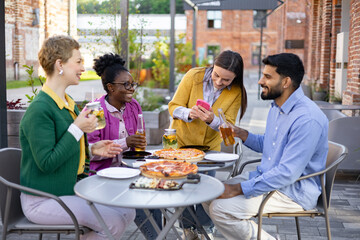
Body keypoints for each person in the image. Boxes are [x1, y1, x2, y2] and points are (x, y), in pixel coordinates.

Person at [19, 35, 135, 240]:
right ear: (60, 64)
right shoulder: (40, 109)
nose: (83, 68)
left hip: (68, 192)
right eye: (79, 61)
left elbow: (63, 147)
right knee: (114, 223)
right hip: (42, 200)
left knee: (128, 211)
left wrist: (92, 149)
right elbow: (47, 162)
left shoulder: (66, 102)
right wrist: (76, 128)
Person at [204, 53, 329, 240]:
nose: (260, 81)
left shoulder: (307, 119)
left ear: (286, 82)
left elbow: (287, 173)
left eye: (268, 77)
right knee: (209, 193)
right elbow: (270, 145)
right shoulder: (277, 107)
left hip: (292, 191)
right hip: (268, 179)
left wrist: (238, 188)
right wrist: (241, 133)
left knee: (221, 208)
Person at [168, 50, 247, 240]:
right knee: (185, 188)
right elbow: (173, 106)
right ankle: (188, 230)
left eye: (226, 80)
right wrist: (188, 113)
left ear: (235, 78)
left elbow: (229, 128)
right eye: (216, 75)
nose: (219, 82)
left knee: (205, 189)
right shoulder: (193, 76)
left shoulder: (236, 92)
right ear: (212, 67)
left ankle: (205, 229)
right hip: (183, 143)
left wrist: (213, 120)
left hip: (210, 148)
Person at [87, 52, 161, 240]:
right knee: (144, 199)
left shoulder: (133, 106)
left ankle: (160, 237)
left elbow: (138, 138)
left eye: (132, 84)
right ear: (110, 88)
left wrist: (140, 148)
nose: (132, 89)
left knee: (155, 195)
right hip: (103, 178)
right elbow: (91, 152)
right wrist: (125, 142)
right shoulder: (95, 110)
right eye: (126, 85)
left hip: (130, 172)